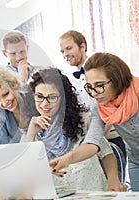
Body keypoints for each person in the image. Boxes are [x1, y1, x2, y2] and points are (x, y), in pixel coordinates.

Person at [21, 67, 109, 190]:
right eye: (39, 96)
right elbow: (25, 172)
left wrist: (113, 180)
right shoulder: (30, 130)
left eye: (52, 97)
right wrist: (31, 135)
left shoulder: (83, 120)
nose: (44, 104)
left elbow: (106, 152)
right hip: (58, 195)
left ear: (63, 98)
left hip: (92, 192)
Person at [59, 30, 127, 188]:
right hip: (93, 142)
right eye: (62, 51)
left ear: (82, 46)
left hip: (110, 136)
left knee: (114, 180)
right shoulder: (72, 80)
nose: (65, 54)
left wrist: (96, 138)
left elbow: (107, 111)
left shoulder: (103, 71)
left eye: (69, 48)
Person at [83, 52, 139, 191]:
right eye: (90, 87)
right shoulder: (101, 105)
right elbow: (92, 140)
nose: (94, 93)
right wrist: (68, 159)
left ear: (115, 79)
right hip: (136, 161)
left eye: (99, 85)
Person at [0, 67, 38, 144]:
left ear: (14, 86)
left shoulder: (33, 97)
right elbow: (0, 143)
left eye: (5, 94)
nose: (4, 103)